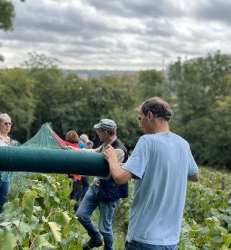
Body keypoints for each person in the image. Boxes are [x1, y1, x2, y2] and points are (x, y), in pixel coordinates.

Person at [104, 97, 200, 249]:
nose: (139, 124)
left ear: (150, 116)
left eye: (140, 118)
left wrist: (112, 158)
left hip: (143, 239)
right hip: (170, 242)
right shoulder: (183, 144)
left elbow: (120, 177)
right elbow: (195, 175)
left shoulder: (147, 141)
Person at [76, 119, 129, 250]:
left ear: (106, 132)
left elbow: (114, 173)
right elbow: (95, 152)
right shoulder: (106, 143)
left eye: (99, 131)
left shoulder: (119, 150)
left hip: (109, 190)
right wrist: (75, 150)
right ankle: (96, 238)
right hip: (96, 186)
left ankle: (109, 248)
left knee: (105, 228)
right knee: (81, 215)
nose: (97, 132)